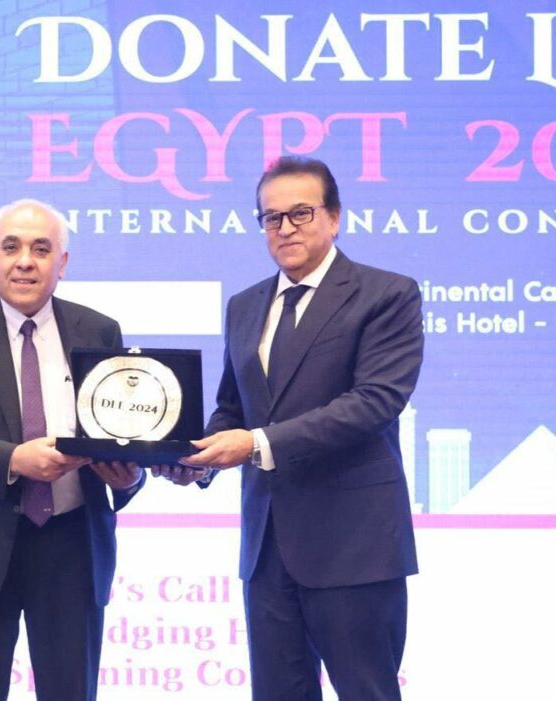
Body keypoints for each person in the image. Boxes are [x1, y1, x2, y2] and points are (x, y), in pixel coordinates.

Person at [162, 157, 422, 700]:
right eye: (271, 217)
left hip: (354, 545)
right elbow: (233, 410)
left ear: (335, 218)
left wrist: (255, 444)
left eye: (301, 213)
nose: (285, 228)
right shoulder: (244, 306)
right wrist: (193, 460)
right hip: (267, 547)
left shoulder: (387, 294)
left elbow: (374, 402)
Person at [0, 199, 144, 701]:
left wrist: (130, 477)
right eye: (11, 247)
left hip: (72, 546)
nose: (25, 262)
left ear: (62, 263)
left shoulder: (99, 330)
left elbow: (119, 429)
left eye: (41, 249)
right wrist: (14, 460)